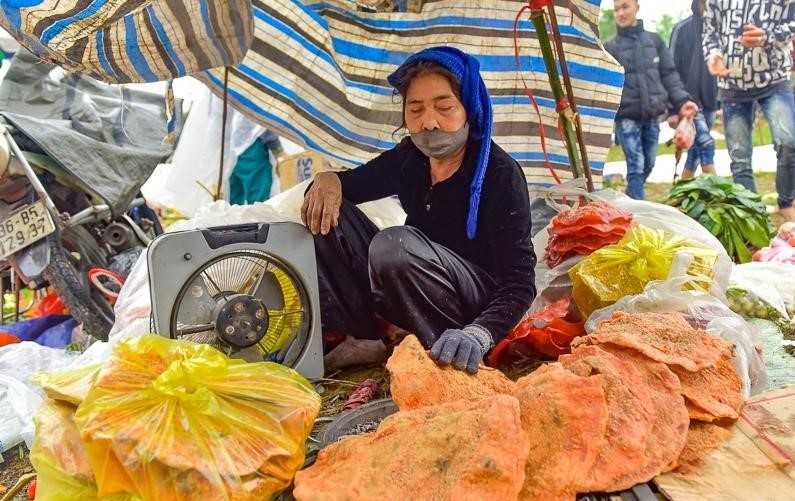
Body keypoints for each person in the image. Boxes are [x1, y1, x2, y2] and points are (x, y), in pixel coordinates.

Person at [301, 46, 536, 374]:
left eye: (444, 107)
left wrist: (480, 333)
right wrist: (327, 180)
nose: (429, 123)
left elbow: (519, 282)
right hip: (416, 285)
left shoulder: (500, 175)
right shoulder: (409, 158)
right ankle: (366, 337)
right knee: (325, 209)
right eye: (416, 109)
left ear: (469, 107)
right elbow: (350, 184)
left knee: (394, 246)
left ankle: (443, 352)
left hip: (472, 306)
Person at [704, 0, 795, 221]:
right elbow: (710, 31)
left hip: (774, 79)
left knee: (789, 142)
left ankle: (786, 201)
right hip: (731, 83)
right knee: (740, 157)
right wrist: (713, 55)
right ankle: (752, 213)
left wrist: (768, 36)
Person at [605, 0, 699, 199]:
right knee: (636, 164)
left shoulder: (654, 41)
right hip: (626, 116)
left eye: (625, 7)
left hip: (652, 115)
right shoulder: (610, 48)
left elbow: (669, 75)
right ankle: (638, 213)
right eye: (616, 9)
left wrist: (682, 102)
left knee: (649, 163)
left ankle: (629, 199)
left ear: (637, 7)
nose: (620, 13)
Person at [668, 0, 719, 180]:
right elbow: (670, 70)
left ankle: (681, 192)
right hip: (688, 102)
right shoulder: (682, 29)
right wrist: (673, 108)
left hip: (711, 101)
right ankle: (717, 194)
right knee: (706, 144)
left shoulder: (719, 29)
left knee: (695, 151)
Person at [229, 130, 286, 205]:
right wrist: (279, 151)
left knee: (235, 202)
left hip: (234, 149)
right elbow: (263, 124)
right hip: (252, 149)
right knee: (257, 201)